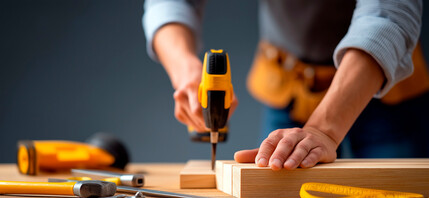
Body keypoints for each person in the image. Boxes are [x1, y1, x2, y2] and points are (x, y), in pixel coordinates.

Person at [143, 0, 429, 171]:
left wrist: (323, 130)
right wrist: (186, 72)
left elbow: (389, 12)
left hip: (386, 86)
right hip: (287, 85)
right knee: (281, 194)